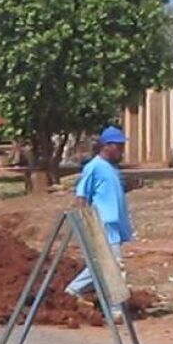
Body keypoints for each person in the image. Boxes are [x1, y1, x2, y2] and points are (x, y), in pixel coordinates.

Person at [65, 126, 131, 306]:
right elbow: (81, 196)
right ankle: (116, 309)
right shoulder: (94, 167)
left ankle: (73, 291)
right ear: (107, 146)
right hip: (102, 224)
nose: (121, 150)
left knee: (104, 265)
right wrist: (85, 224)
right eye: (118, 146)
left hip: (114, 225)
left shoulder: (111, 168)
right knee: (113, 266)